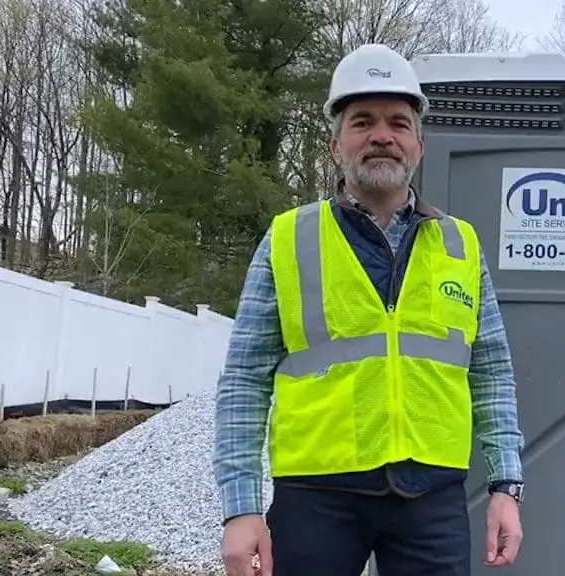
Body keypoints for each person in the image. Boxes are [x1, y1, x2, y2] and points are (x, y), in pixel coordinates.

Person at [212, 43, 526, 576]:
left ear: (419, 146)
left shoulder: (461, 245)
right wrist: (240, 509)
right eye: (363, 121)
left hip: (433, 499)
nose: (382, 135)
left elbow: (492, 373)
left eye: (398, 123)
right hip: (316, 498)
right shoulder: (289, 239)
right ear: (336, 146)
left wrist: (506, 486)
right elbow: (244, 379)